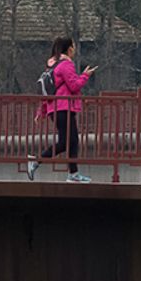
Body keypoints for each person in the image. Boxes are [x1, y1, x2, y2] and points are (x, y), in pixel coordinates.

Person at [28, 36, 97, 183]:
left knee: (71, 141)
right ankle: (36, 161)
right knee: (67, 142)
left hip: (56, 109)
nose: (75, 49)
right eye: (73, 46)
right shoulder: (66, 65)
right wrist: (85, 75)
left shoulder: (52, 66)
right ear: (69, 48)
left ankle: (73, 174)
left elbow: (50, 91)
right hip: (64, 108)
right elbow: (74, 86)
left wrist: (42, 111)